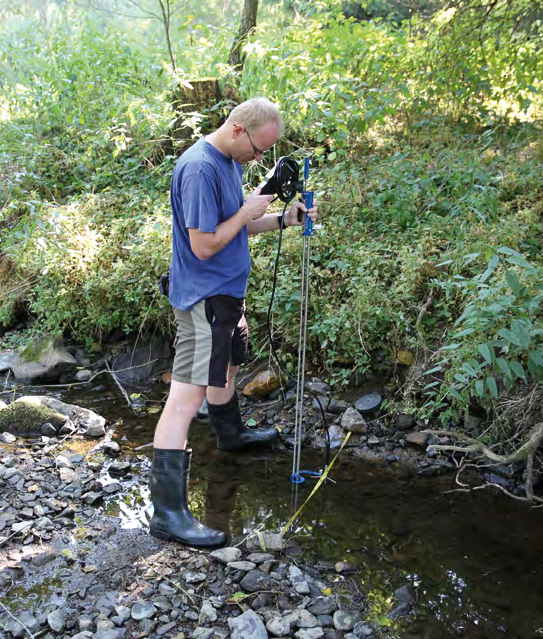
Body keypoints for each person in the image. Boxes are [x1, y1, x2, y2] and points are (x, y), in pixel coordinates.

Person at [148, 98, 319, 547]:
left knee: (230, 365)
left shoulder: (227, 160)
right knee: (185, 398)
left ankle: (231, 435)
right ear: (239, 130)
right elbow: (204, 245)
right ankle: (167, 514)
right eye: (259, 150)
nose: (260, 160)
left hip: (227, 296)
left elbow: (236, 227)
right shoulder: (200, 169)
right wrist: (247, 210)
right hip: (204, 300)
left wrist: (281, 218)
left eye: (267, 153)